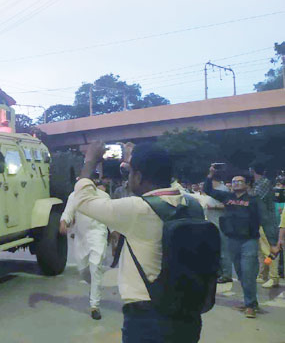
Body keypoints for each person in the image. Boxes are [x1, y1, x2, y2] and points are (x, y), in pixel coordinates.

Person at [72, 142, 204, 342]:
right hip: (188, 312)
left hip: (147, 317)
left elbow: (82, 200)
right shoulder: (193, 205)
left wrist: (90, 161)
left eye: (131, 172)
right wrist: (132, 161)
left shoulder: (137, 209)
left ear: (139, 176)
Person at [204, 168, 277, 318]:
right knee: (241, 274)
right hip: (232, 241)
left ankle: (250, 305)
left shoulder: (255, 201)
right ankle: (250, 301)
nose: (235, 183)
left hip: (249, 241)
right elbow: (207, 189)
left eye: (239, 181)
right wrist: (210, 174)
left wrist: (273, 243)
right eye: (233, 181)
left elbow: (266, 221)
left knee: (248, 273)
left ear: (248, 184)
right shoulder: (227, 197)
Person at [60, 181, 109, 320]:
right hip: (81, 238)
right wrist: (63, 222)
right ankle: (94, 285)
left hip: (98, 234)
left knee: (95, 267)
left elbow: (111, 216)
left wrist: (115, 232)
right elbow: (68, 212)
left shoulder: (104, 197)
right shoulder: (73, 196)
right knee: (84, 272)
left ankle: (95, 306)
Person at [250, 163, 280, 288]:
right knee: (261, 251)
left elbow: (253, 198)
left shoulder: (263, 183)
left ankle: (274, 277)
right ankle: (263, 275)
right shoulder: (259, 183)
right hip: (260, 221)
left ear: (252, 170)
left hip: (266, 222)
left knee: (269, 249)